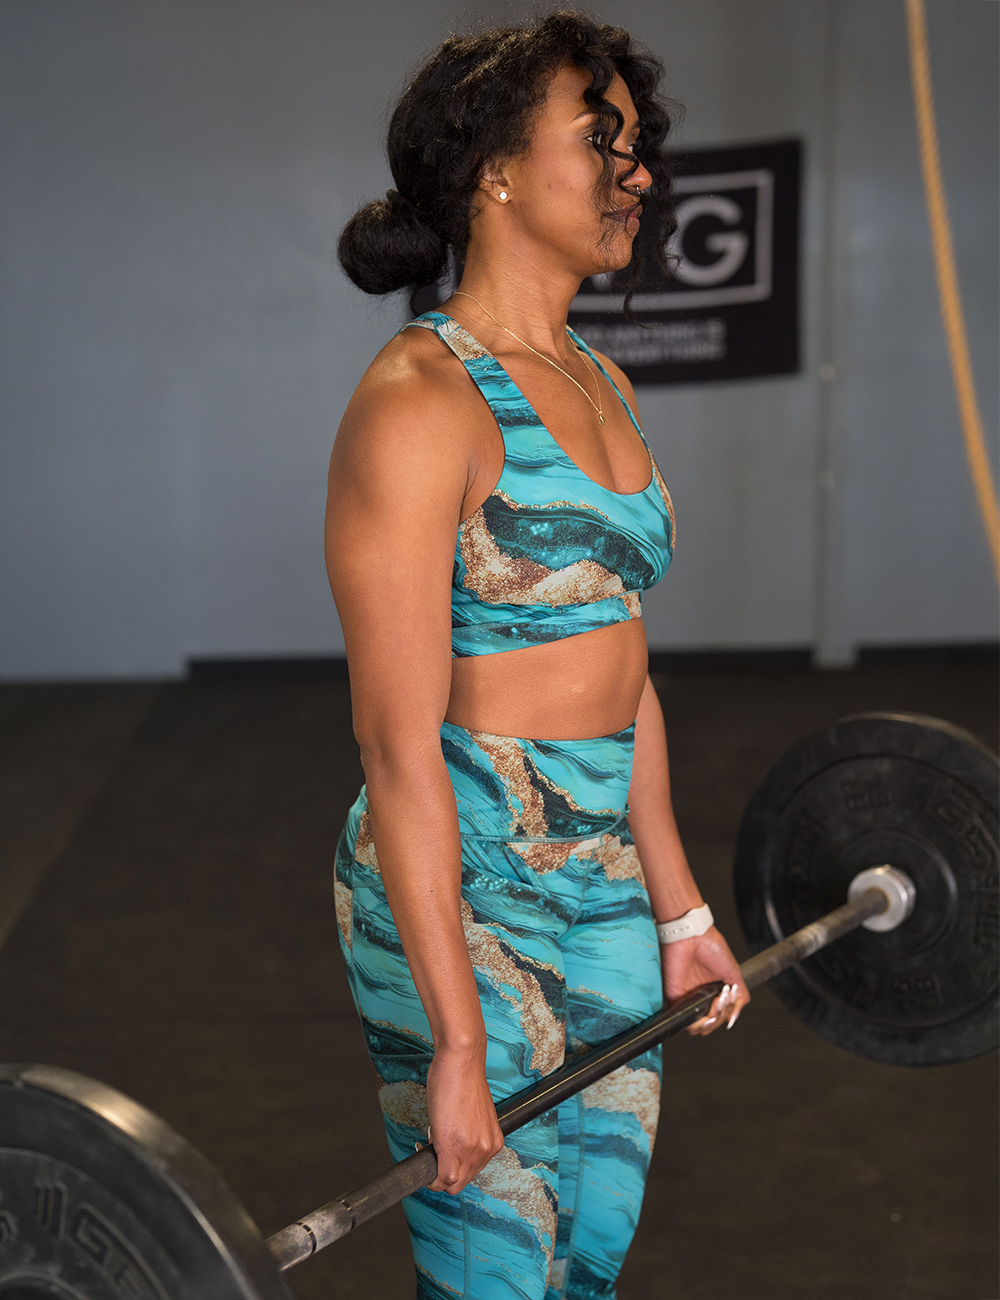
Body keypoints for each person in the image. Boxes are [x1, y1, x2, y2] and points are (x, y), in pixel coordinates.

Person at [325, 12, 750, 1299]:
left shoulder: (599, 380)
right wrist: (458, 1038)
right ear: (497, 171)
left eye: (637, 147)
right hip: (470, 875)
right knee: (495, 1269)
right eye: (601, 139)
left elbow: (624, 665)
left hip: (607, 874)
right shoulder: (417, 400)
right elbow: (396, 748)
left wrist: (679, 910)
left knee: (590, 1255)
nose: (637, 173)